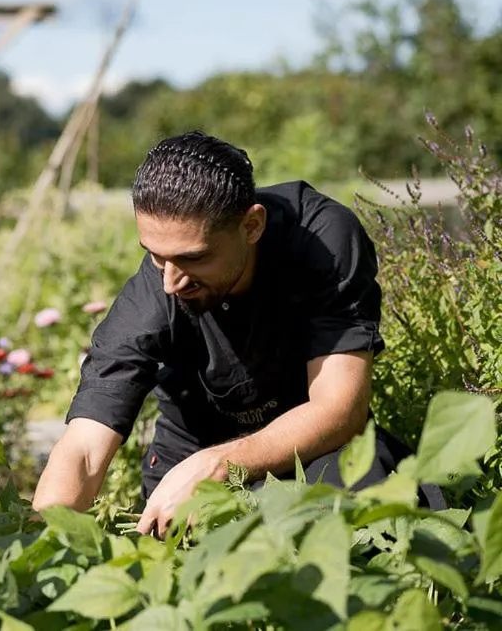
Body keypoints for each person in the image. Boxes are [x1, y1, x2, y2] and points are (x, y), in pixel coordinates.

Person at [32, 130, 443, 535]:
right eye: (155, 256)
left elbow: (341, 411)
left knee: (361, 521)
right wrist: (44, 545)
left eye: (193, 258)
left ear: (251, 226)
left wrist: (220, 466)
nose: (171, 282)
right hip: (187, 459)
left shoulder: (320, 239)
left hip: (312, 449)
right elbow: (84, 448)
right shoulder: (152, 295)